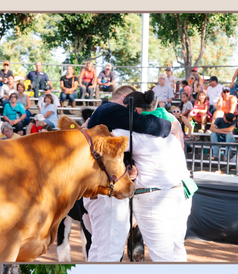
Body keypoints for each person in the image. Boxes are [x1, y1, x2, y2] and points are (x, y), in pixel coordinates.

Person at [82, 87, 191, 262]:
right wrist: (173, 126)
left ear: (137, 109)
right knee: (172, 250)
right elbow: (140, 126)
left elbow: (135, 128)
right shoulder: (110, 111)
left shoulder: (133, 134)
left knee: (104, 247)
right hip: (172, 194)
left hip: (147, 195)